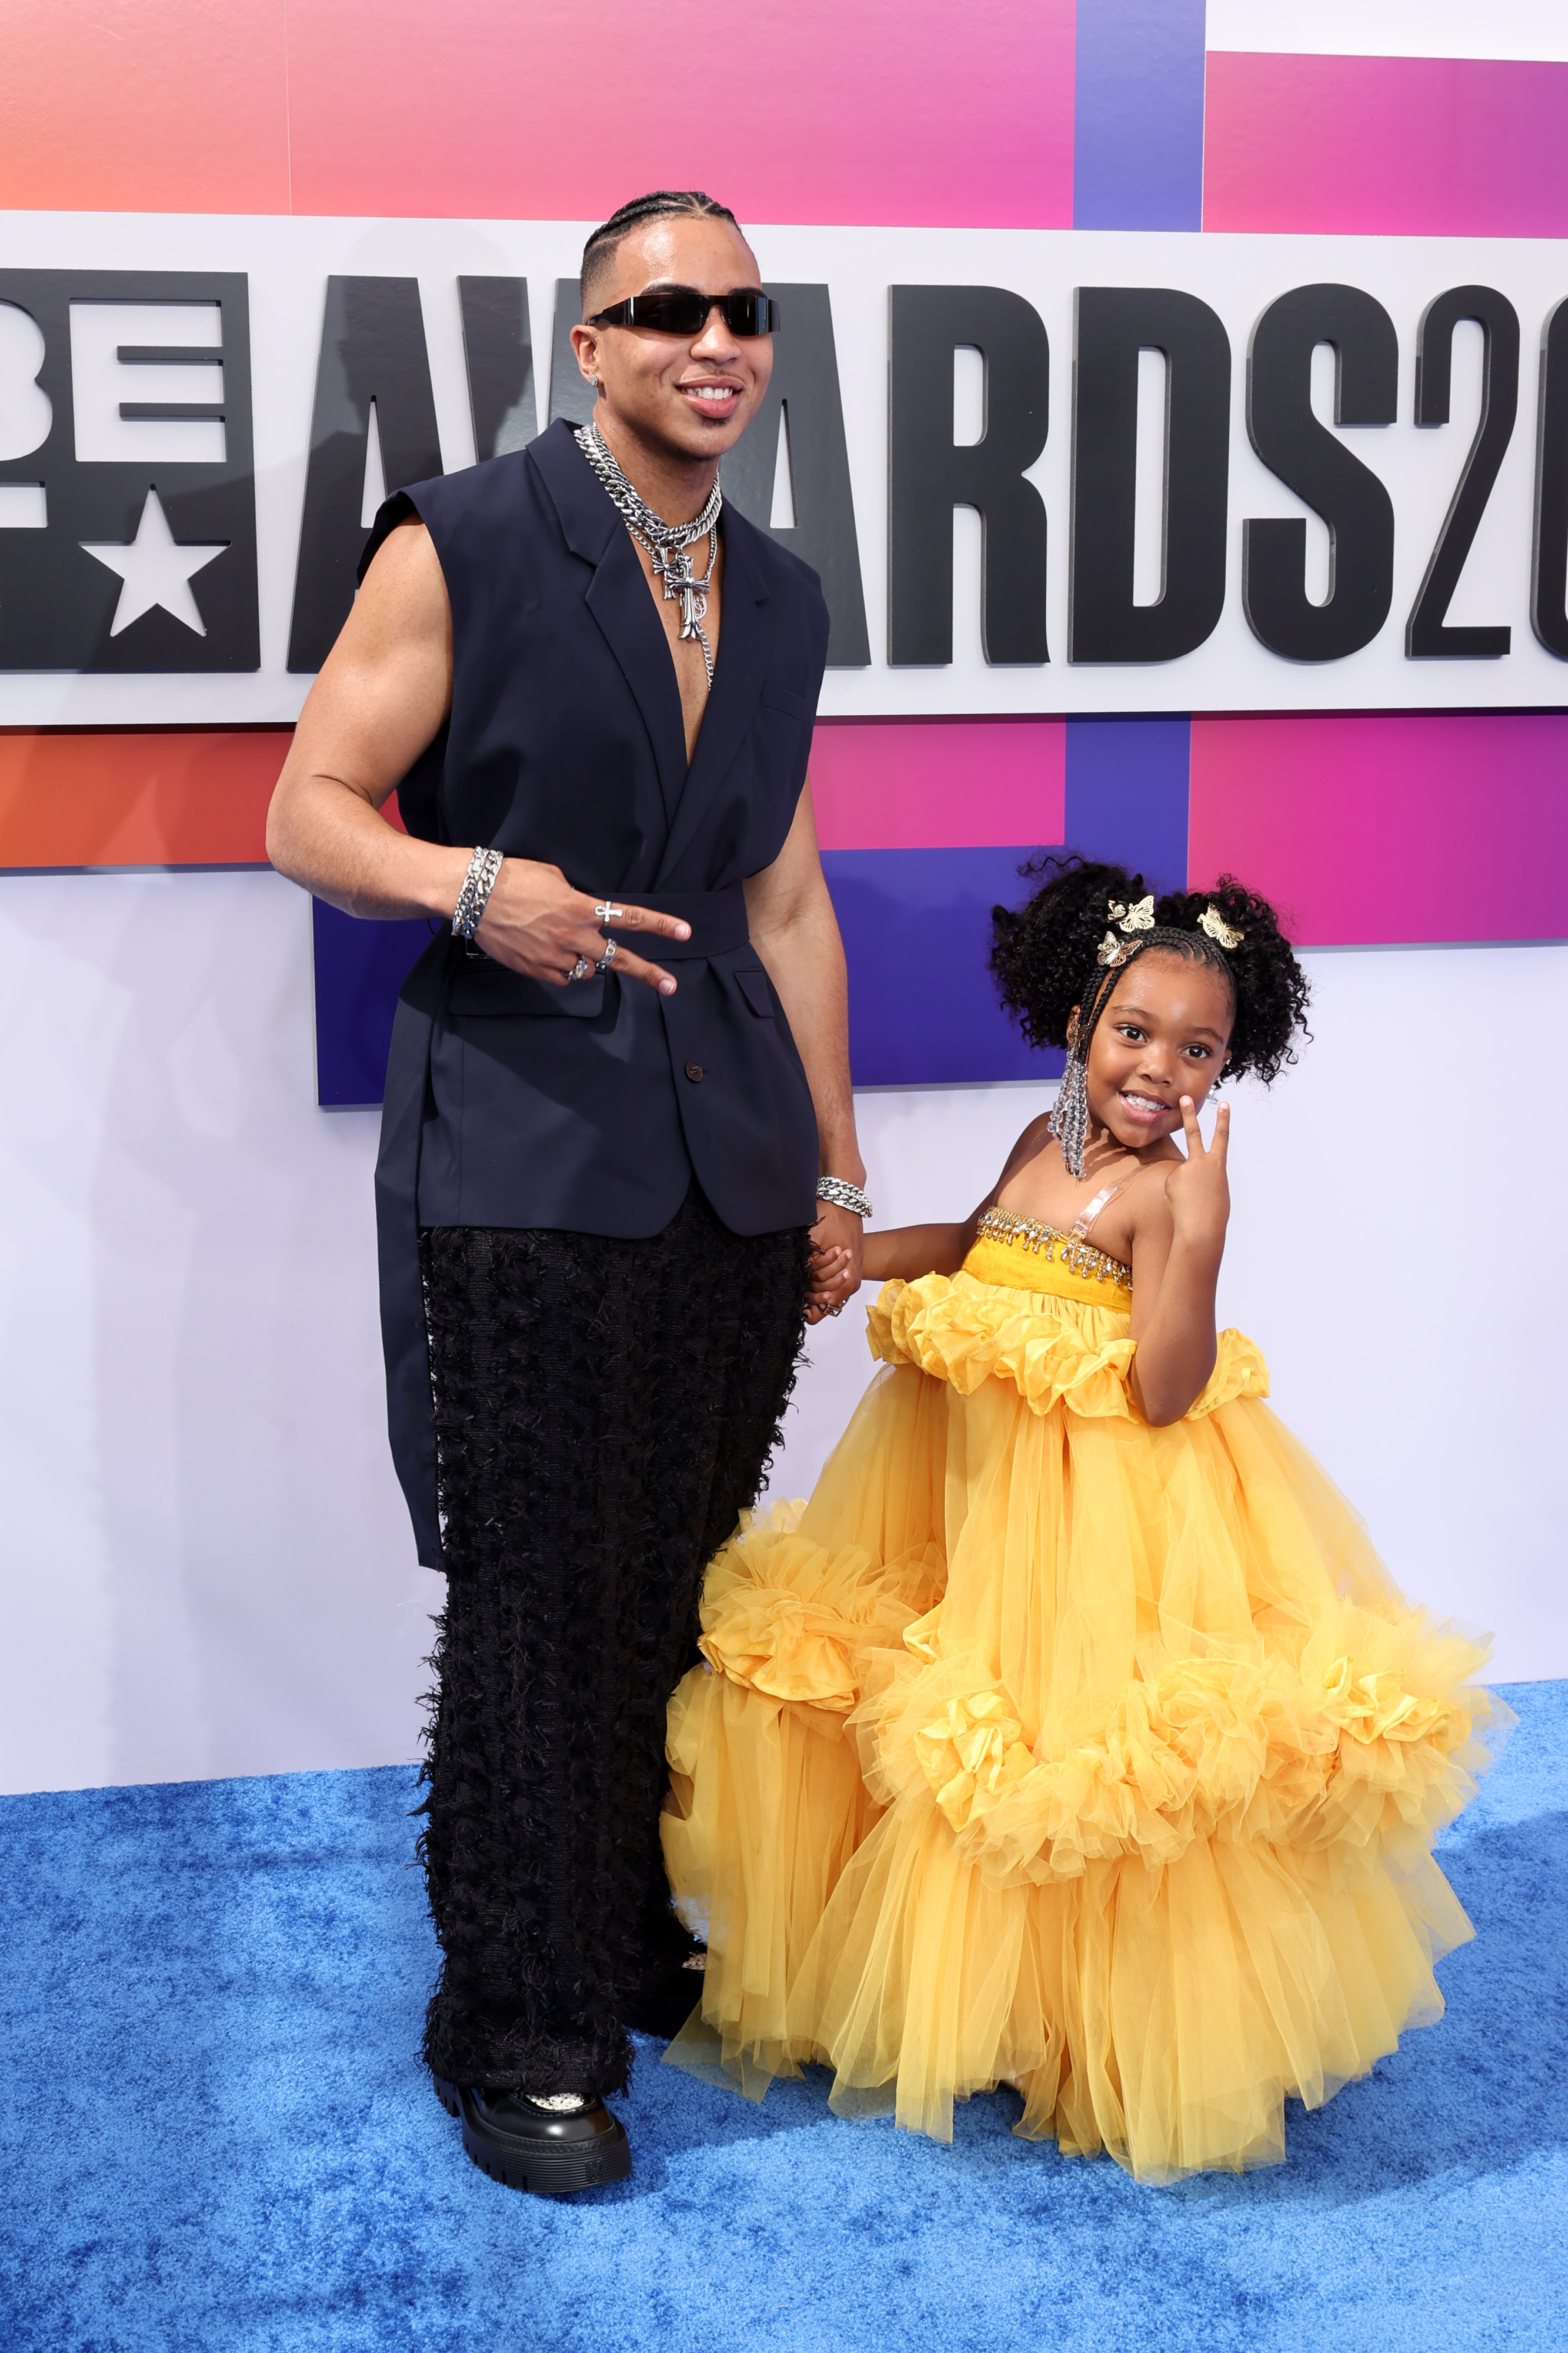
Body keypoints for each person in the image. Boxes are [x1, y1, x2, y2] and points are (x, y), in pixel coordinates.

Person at [266, 189, 867, 2195]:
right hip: (519, 1136)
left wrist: (837, 1169)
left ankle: (613, 1931)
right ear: (589, 344)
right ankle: (514, 2023)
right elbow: (307, 807)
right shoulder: (467, 535)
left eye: (743, 309)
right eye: (664, 307)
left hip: (728, 1148)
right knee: (537, 1594)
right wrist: (469, 886)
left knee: (672, 1579)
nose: (713, 337)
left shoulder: (777, 590)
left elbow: (780, 893)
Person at [662, 855, 1506, 2182]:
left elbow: (1168, 1387)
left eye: (1197, 1049)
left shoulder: (1172, 1192)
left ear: (1228, 1068)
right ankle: (976, 1993)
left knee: (1073, 1754)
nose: (1160, 1067)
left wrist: (1206, 1232)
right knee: (935, 1713)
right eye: (1134, 1031)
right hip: (973, 1488)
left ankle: (1093, 2027)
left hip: (1100, 1519)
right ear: (1076, 1026)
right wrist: (851, 1253)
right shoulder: (1039, 1142)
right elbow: (978, 1242)